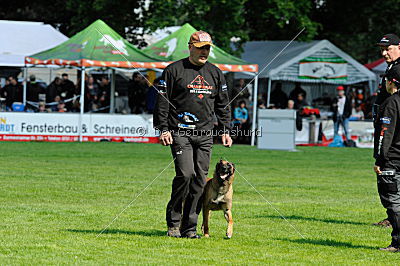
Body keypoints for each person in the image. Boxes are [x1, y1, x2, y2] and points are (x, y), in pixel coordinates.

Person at [154, 30, 232, 239]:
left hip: (205, 134)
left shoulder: (216, 73)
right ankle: (174, 223)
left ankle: (189, 228)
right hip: (180, 132)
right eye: (200, 48)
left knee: (199, 179)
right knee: (185, 174)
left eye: (207, 48)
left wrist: (225, 129)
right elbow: (162, 102)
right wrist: (163, 128)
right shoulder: (173, 70)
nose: (204, 52)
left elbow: (223, 104)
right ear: (190, 47)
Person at [373, 33, 400, 228]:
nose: (384, 53)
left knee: (388, 170)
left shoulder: (398, 69)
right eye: (382, 49)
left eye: (388, 48)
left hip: (392, 127)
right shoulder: (391, 67)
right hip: (387, 122)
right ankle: (392, 215)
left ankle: (394, 216)